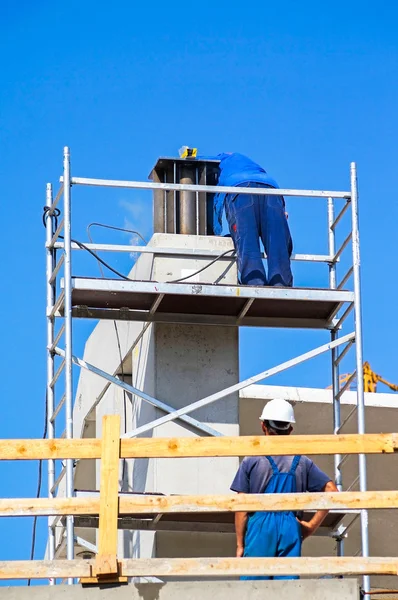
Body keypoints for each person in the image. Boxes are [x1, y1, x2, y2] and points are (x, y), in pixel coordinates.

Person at [230, 398, 338, 580]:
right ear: (290, 429)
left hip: (260, 526)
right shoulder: (302, 462)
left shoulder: (252, 459)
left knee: (253, 589)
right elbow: (332, 491)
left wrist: (240, 544)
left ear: (263, 426)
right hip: (291, 525)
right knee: (288, 590)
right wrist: (311, 526)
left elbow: (241, 507)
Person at [198, 152, 293, 287]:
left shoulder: (214, 163)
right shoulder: (247, 163)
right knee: (277, 241)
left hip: (240, 191)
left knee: (247, 240)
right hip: (271, 189)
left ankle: (254, 283)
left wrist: (214, 232)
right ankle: (281, 284)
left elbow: (214, 204)